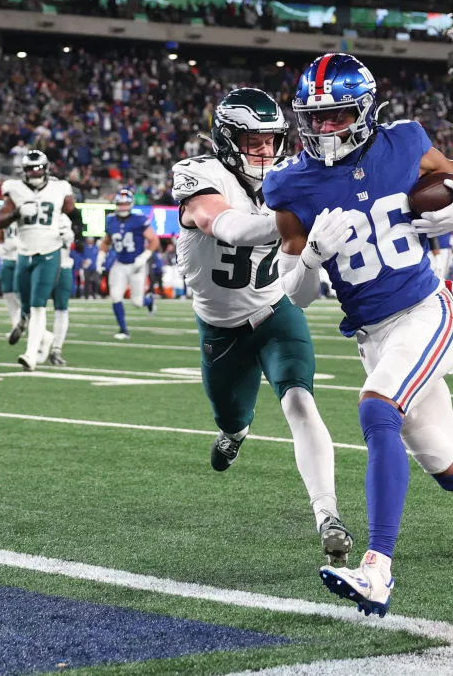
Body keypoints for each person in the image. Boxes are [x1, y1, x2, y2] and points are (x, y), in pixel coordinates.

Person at [262, 53, 453, 618]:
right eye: (314, 118)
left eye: (337, 116)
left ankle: (377, 570)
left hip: (425, 310)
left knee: (375, 409)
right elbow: (295, 293)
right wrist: (313, 256)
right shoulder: (288, 182)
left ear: (363, 111)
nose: (324, 129)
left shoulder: (405, 142)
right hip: (373, 335)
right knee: (451, 468)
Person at [170, 87, 352, 563]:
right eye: (254, 142)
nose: (266, 152)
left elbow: (302, 293)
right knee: (231, 416)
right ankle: (235, 434)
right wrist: (290, 220)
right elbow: (227, 226)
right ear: (228, 140)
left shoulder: (291, 178)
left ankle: (328, 514)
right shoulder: (200, 174)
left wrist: (310, 254)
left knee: (300, 403)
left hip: (276, 313)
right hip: (221, 328)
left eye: (272, 141)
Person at [0, 149, 83, 371]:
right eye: (30, 169)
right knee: (25, 303)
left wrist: (76, 234)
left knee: (38, 305)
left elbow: (75, 215)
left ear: (46, 168)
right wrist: (16, 214)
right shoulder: (14, 189)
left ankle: (30, 355)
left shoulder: (59, 188)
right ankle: (37, 332)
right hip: (24, 253)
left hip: (50, 252)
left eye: (38, 168)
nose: (34, 173)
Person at [96, 188, 160, 339]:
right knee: (115, 296)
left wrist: (144, 257)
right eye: (120, 204)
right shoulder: (110, 219)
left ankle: (149, 300)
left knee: (137, 302)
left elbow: (154, 240)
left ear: (130, 204)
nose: (122, 207)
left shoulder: (139, 219)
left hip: (136, 264)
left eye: (125, 204)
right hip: (120, 263)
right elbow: (107, 241)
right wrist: (100, 256)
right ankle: (123, 330)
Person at [0, 221, 25, 343]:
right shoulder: (5, 219)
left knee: (19, 294)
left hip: (20, 257)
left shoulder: (24, 216)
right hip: (7, 259)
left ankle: (24, 323)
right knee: (8, 294)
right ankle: (15, 326)